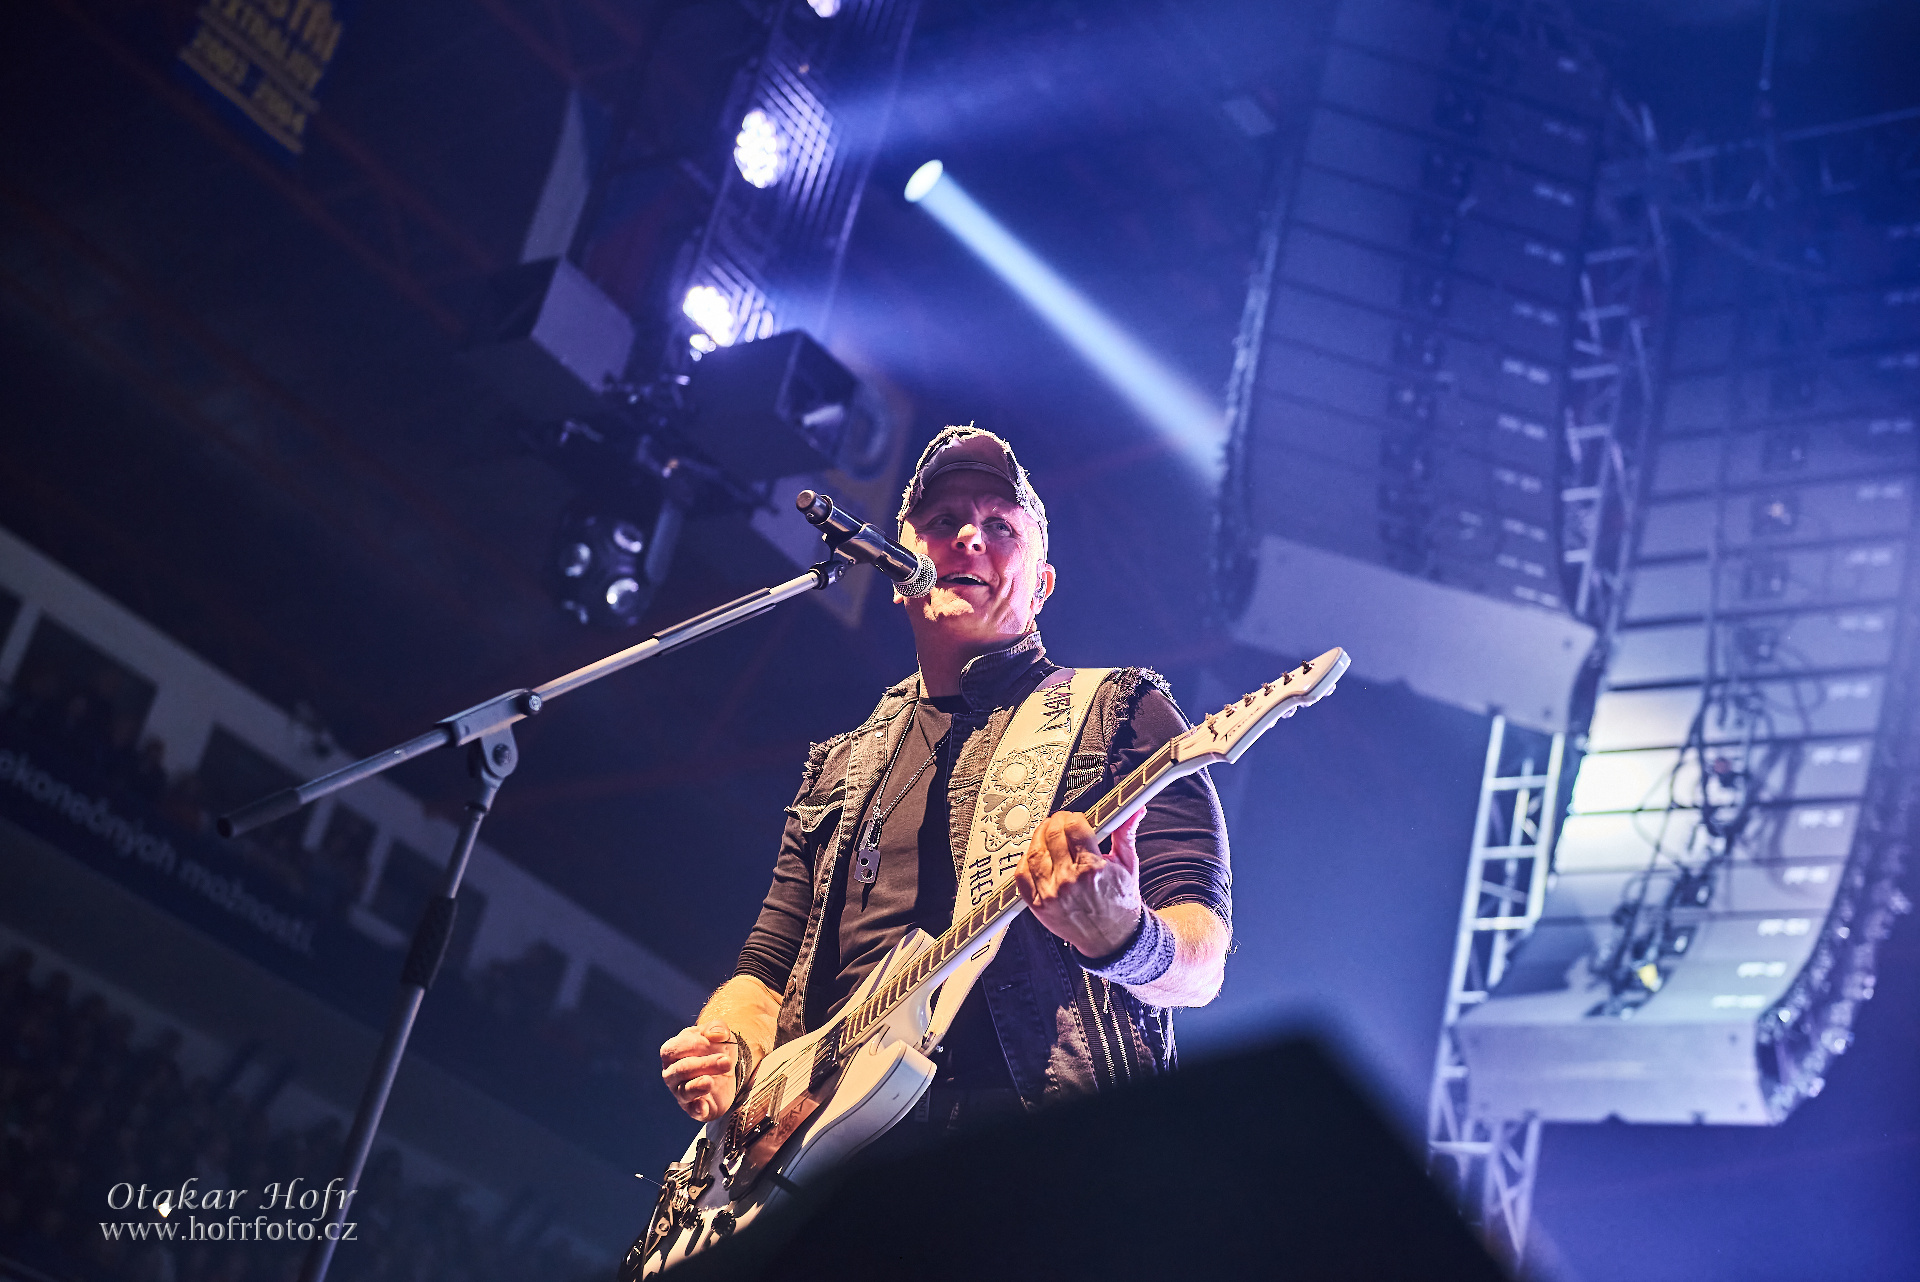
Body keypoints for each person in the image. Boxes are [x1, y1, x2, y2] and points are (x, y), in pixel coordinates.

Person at [658, 425, 1231, 1146]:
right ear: (900, 565)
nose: (967, 537)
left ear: (1042, 584)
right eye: (941, 521)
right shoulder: (840, 766)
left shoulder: (1118, 714)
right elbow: (766, 974)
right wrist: (728, 1044)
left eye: (1001, 526)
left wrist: (1123, 936)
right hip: (815, 1155)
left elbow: (1202, 965)